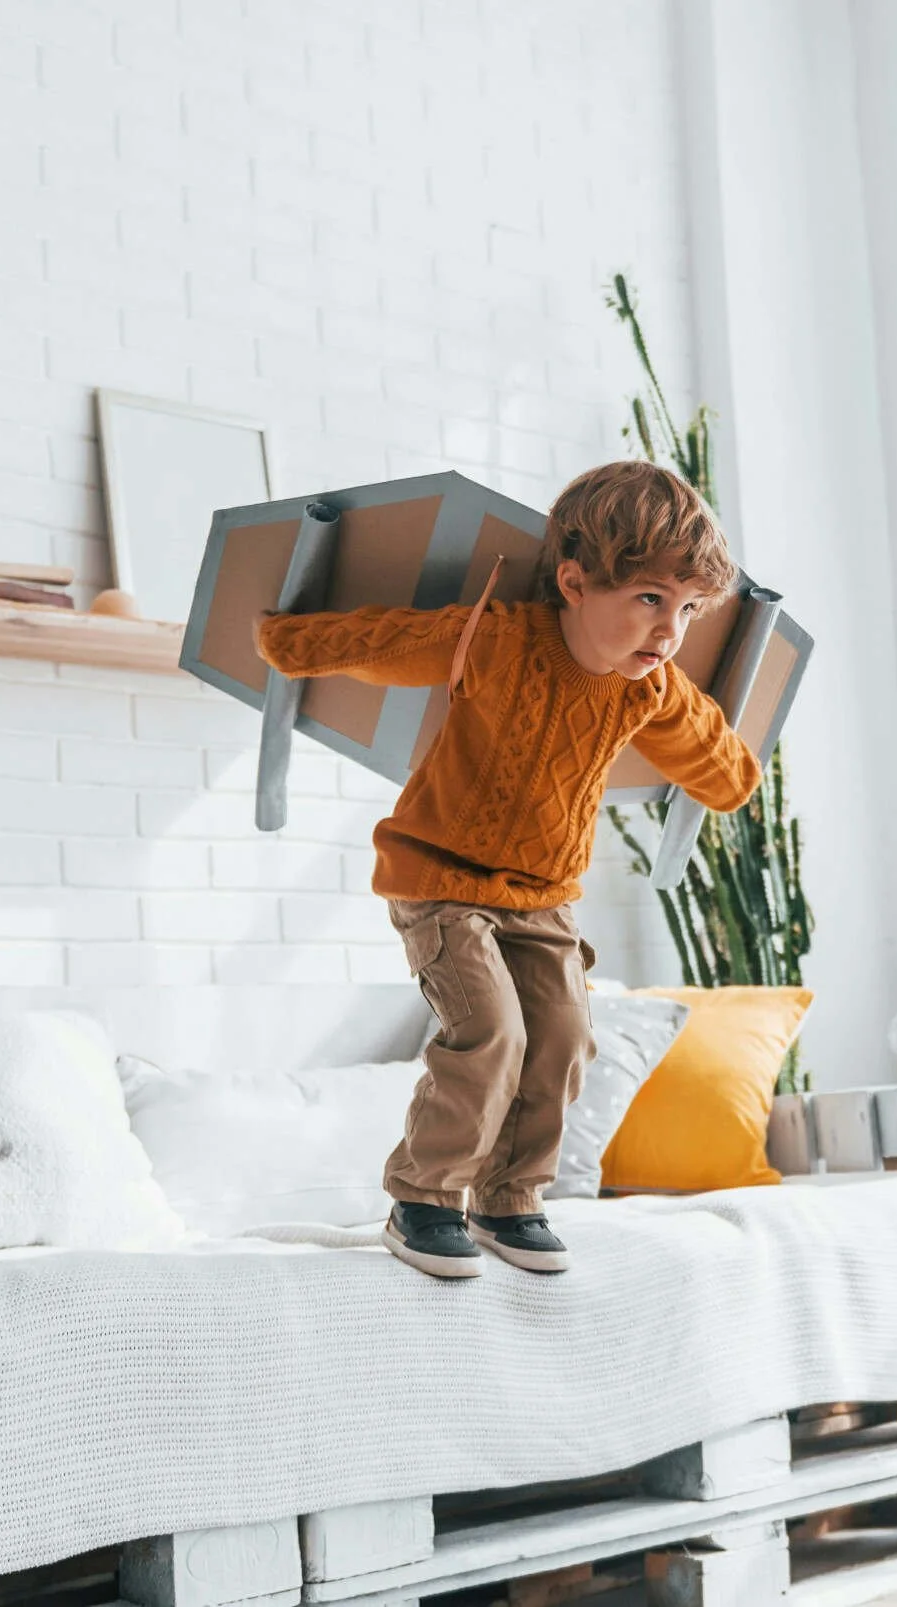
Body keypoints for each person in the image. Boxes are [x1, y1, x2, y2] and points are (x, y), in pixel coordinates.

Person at [255, 460, 764, 1278]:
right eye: (648, 600)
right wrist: (288, 643)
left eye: (687, 609)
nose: (670, 631)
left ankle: (510, 1198)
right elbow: (391, 642)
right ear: (574, 581)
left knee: (563, 1037)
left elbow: (719, 765)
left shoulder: (650, 691)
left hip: (545, 898)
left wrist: (738, 775)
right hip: (441, 877)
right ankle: (423, 1197)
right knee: (491, 1030)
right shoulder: (500, 638)